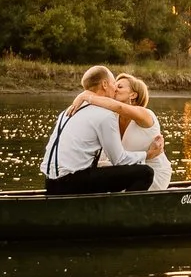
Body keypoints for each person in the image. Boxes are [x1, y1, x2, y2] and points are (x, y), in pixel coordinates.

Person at [41, 65, 158, 194]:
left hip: (50, 182)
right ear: (105, 84)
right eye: (114, 84)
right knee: (145, 173)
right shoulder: (105, 115)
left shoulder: (68, 111)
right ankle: (122, 207)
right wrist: (147, 154)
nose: (115, 89)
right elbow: (119, 160)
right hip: (70, 183)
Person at [115, 74, 171, 190]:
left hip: (153, 174)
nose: (114, 89)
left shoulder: (145, 114)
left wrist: (87, 97)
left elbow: (120, 107)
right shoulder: (113, 118)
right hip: (129, 172)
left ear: (133, 95)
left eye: (119, 87)